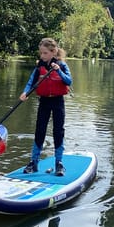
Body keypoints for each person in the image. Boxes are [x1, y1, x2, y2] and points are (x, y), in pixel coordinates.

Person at [19, 38, 72, 176]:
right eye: (41, 53)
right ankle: (34, 162)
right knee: (40, 130)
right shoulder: (39, 67)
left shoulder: (62, 65)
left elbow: (69, 81)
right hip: (44, 102)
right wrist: (25, 92)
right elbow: (31, 82)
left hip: (58, 102)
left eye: (45, 53)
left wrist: (58, 71)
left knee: (58, 131)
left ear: (53, 52)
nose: (42, 56)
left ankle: (59, 163)